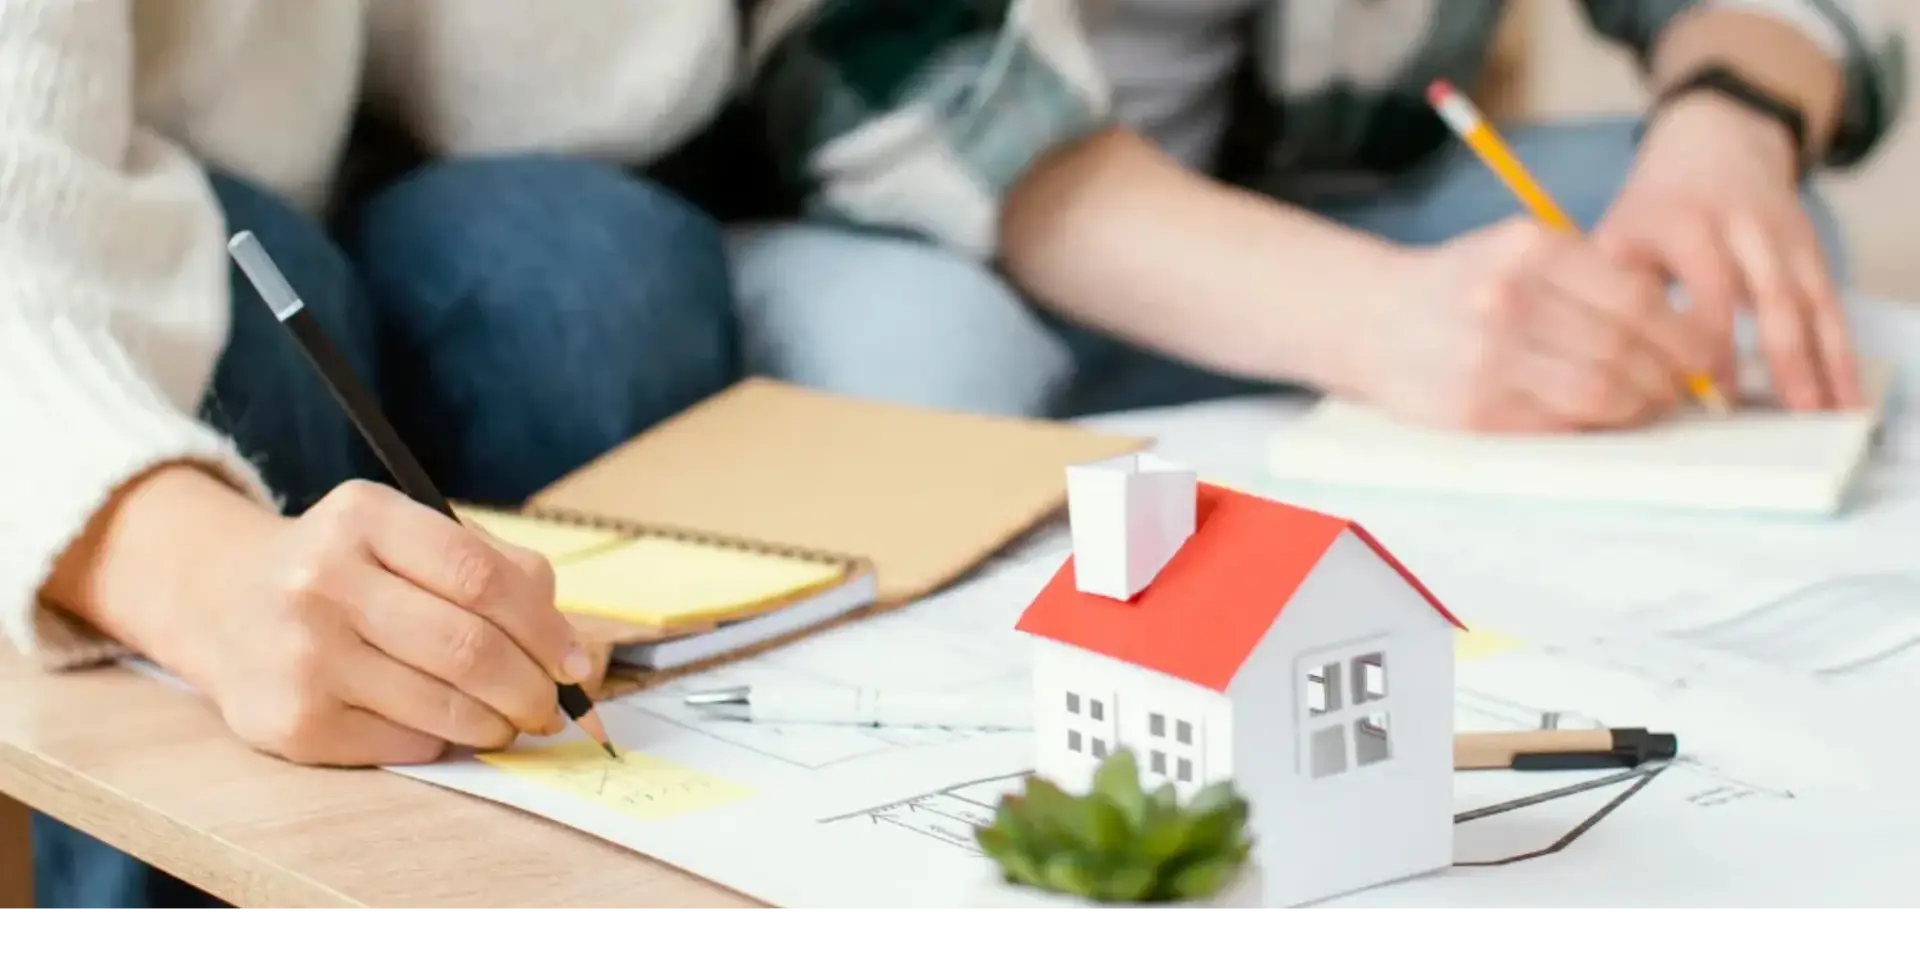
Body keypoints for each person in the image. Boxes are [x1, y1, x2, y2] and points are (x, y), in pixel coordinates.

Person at [3, 1, 747, 910]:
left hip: (352, 157)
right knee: (254, 324)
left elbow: (601, 89)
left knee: (598, 280)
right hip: (73, 203)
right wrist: (195, 572)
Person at [728, 0, 1906, 425]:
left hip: (1291, 212)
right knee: (929, 365)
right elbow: (891, 97)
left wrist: (1729, 121)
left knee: (1735, 241)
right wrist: (1382, 322)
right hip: (928, 243)